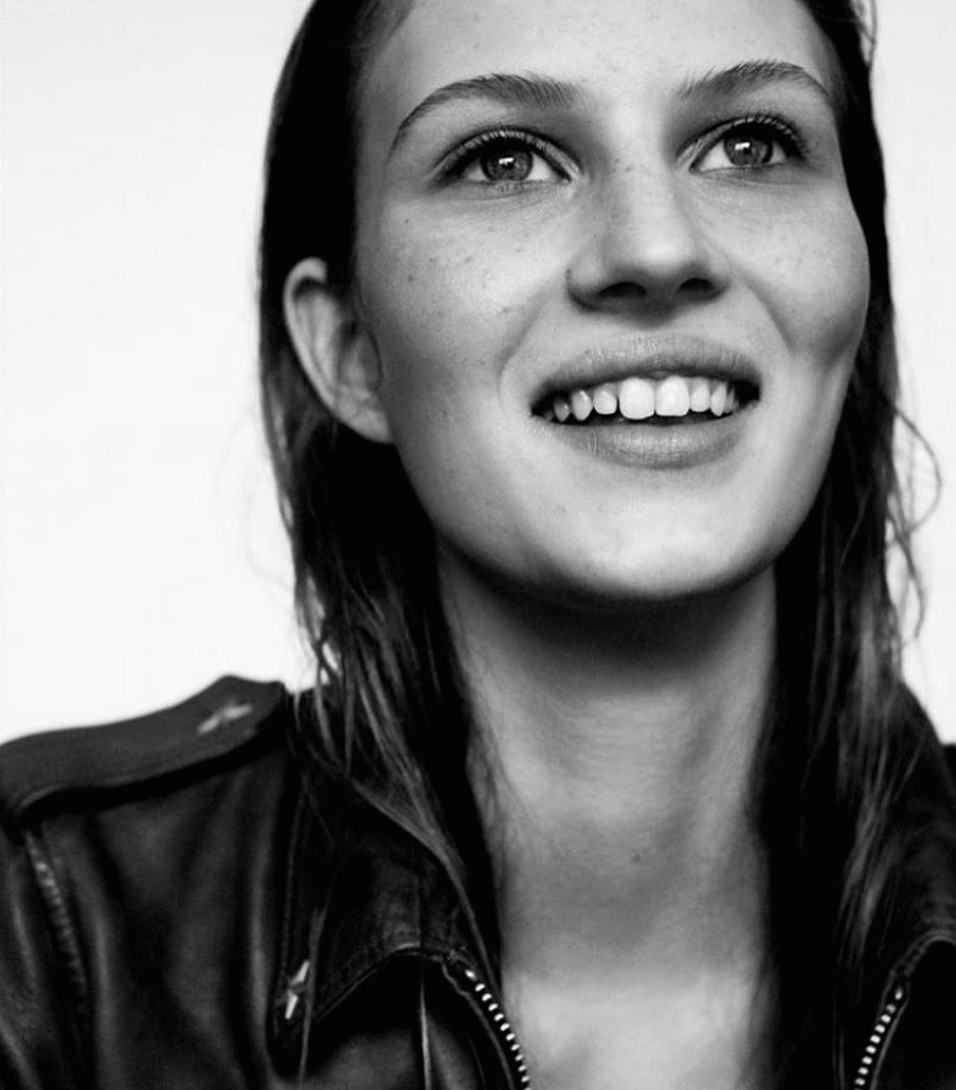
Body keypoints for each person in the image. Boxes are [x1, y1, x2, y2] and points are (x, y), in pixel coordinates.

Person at [2, 0, 954, 1087]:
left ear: (860, 277)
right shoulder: (45, 931)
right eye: (504, 160)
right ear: (349, 346)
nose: (655, 248)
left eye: (750, 143)